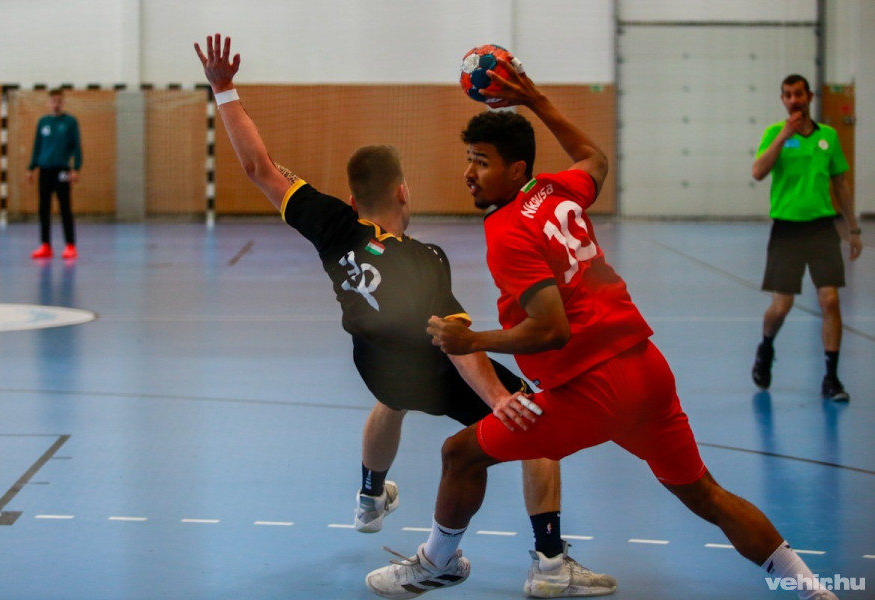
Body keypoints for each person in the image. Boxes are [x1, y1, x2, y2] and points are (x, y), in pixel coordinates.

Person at [365, 61, 840, 600]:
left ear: (516, 169)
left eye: (482, 162)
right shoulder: (555, 189)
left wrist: (474, 341)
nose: (469, 173)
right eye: (469, 159)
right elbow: (595, 158)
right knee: (705, 494)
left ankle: (436, 564)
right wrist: (535, 98)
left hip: (592, 387)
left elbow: (551, 329)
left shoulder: (508, 231)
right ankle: (813, 589)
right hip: (646, 370)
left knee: (460, 453)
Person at [194, 34, 616, 598]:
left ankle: (370, 497)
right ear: (402, 192)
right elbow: (458, 344)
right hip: (433, 372)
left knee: (392, 399)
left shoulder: (332, 225)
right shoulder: (423, 259)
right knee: (534, 426)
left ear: (353, 199)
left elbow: (258, 167)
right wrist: (501, 400)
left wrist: (223, 89)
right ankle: (550, 562)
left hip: (376, 367)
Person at [750, 74, 862, 402]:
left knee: (830, 300)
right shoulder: (774, 133)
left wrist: (853, 228)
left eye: (798, 94)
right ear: (782, 100)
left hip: (822, 228)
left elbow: (841, 184)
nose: (793, 100)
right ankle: (766, 347)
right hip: (787, 230)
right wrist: (783, 136)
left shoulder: (828, 136)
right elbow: (758, 172)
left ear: (809, 97)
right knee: (781, 306)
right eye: (787, 95)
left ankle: (831, 378)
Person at [27, 88, 82, 260]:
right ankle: (45, 245)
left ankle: (70, 245)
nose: (56, 104)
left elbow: (76, 147)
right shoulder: (43, 122)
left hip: (62, 171)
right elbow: (37, 146)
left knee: (65, 207)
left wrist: (75, 168)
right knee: (43, 208)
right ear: (48, 103)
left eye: (59, 101)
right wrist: (32, 167)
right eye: (53, 101)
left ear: (63, 103)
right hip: (45, 170)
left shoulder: (70, 122)